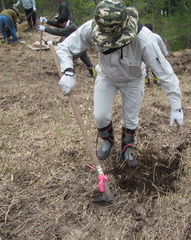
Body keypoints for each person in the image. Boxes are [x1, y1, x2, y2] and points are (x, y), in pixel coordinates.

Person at [56, 0, 183, 168]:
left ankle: (126, 149)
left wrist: (176, 105)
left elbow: (165, 72)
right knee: (100, 115)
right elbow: (65, 47)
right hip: (107, 76)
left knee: (130, 119)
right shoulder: (91, 28)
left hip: (133, 79)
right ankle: (107, 141)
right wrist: (68, 71)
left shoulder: (144, 39)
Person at [144, 23, 169, 87]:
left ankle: (147, 82)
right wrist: (165, 53)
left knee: (145, 69)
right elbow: (162, 46)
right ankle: (154, 81)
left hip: (147, 56)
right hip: (153, 56)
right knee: (155, 68)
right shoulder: (157, 37)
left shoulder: (142, 37)